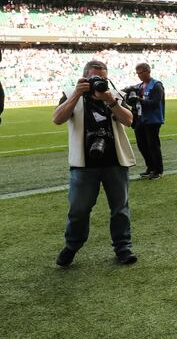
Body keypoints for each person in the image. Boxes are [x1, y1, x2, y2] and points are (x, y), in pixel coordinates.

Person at [52, 60, 137, 267]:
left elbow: (129, 120)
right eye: (94, 79)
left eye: (102, 78)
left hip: (115, 161)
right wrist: (75, 95)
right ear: (84, 78)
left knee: (120, 208)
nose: (98, 82)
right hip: (84, 164)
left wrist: (111, 101)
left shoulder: (113, 94)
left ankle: (123, 248)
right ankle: (72, 246)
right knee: (79, 209)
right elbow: (57, 119)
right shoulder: (71, 93)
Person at [133, 63, 165, 179]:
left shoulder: (156, 85)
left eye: (141, 72)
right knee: (142, 145)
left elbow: (155, 103)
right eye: (137, 73)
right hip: (140, 119)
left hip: (153, 120)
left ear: (148, 71)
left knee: (153, 145)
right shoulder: (139, 86)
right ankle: (150, 167)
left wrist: (139, 100)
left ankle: (158, 170)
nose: (139, 75)